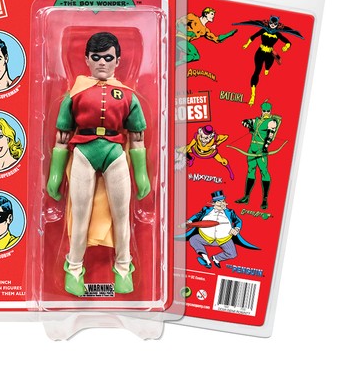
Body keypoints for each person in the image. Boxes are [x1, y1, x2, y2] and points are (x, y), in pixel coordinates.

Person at [46, 32, 151, 296]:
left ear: (117, 61)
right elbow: (62, 136)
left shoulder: (128, 95)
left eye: (108, 57)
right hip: (83, 151)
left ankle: (124, 268)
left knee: (122, 215)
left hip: (114, 152)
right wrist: (55, 175)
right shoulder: (75, 94)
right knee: (80, 215)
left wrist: (142, 175)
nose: (102, 62)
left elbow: (137, 137)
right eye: (96, 57)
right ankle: (74, 268)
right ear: (87, 59)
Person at [175, 190, 259, 268]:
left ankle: (216, 258)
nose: (222, 203)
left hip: (224, 239)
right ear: (214, 203)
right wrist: (190, 221)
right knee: (193, 239)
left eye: (223, 201)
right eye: (219, 201)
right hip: (206, 238)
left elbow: (238, 221)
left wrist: (236, 229)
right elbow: (197, 216)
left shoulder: (230, 212)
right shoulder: (206, 209)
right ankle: (206, 260)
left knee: (232, 254)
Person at [234, 16, 303, 106]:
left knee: (268, 65)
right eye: (271, 23)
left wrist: (286, 47)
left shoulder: (278, 34)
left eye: (275, 24)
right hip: (260, 52)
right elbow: (253, 37)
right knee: (257, 71)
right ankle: (253, 95)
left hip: (270, 54)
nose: (272, 25)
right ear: (269, 22)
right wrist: (247, 44)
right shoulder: (263, 30)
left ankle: (267, 69)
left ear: (277, 24)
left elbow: (288, 42)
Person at [233, 101, 282, 209]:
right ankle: (246, 197)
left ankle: (265, 199)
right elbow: (244, 121)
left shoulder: (271, 122)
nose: (266, 113)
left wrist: (265, 147)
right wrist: (249, 125)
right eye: (264, 111)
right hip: (252, 148)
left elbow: (270, 136)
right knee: (251, 170)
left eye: (268, 111)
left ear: (270, 111)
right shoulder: (257, 120)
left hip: (261, 149)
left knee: (264, 171)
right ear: (261, 111)